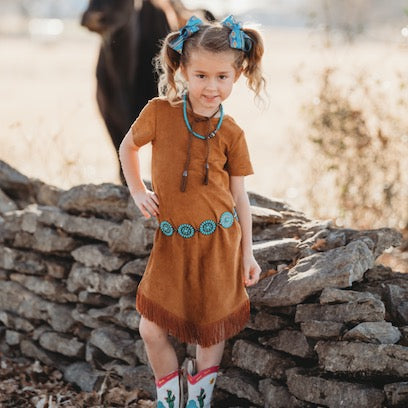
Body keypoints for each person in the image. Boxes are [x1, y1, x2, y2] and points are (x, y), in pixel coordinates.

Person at [119, 14, 265, 408]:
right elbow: (127, 147)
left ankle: (197, 401)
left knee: (210, 333)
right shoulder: (159, 112)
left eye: (222, 77)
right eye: (201, 75)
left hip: (221, 241)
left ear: (236, 75)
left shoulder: (232, 132)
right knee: (151, 329)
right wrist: (137, 189)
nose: (211, 87)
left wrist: (247, 252)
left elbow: (240, 197)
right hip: (172, 242)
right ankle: (170, 400)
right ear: (182, 69)